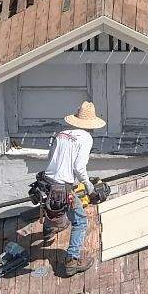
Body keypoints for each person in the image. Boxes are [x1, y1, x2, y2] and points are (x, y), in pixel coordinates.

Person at [34, 99, 104, 276]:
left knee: (53, 207)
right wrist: (90, 188)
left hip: (46, 183)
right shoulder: (86, 138)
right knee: (80, 220)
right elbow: (79, 167)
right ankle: (72, 260)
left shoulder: (61, 134)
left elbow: (51, 159)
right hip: (61, 189)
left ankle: (50, 228)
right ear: (91, 125)